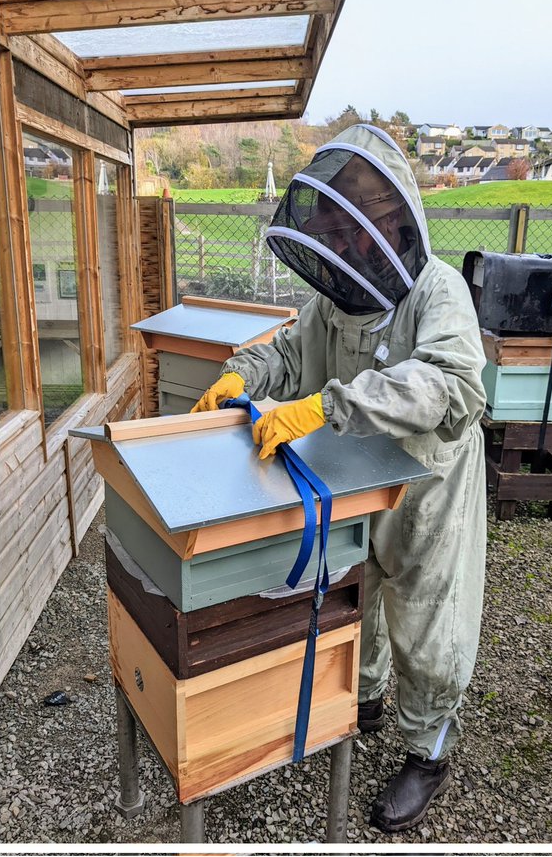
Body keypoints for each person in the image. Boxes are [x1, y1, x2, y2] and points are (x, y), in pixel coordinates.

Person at [191, 124, 487, 832]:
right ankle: (368, 695)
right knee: (361, 589)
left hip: (428, 487)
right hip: (355, 482)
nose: (344, 243)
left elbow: (449, 385)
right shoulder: (335, 300)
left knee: (427, 614)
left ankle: (429, 747)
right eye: (334, 230)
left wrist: (328, 405)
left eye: (353, 227)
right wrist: (244, 371)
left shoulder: (437, 292)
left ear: (389, 222)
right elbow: (292, 350)